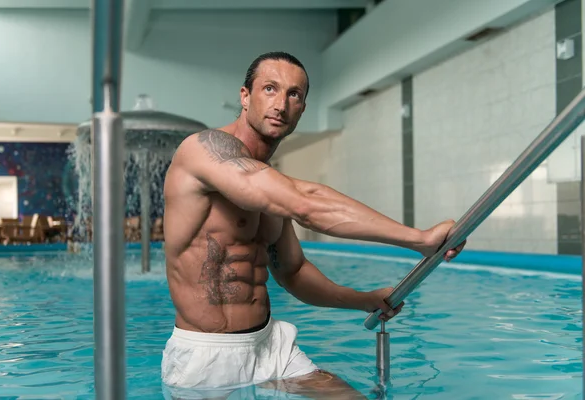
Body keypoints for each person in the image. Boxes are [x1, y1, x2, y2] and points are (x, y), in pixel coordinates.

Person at [161, 51, 466, 399]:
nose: (281, 104)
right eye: (270, 89)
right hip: (206, 356)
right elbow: (305, 203)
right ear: (245, 97)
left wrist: (363, 300)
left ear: (302, 109)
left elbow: (293, 270)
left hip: (270, 345)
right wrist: (419, 239)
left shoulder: (271, 185)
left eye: (294, 94)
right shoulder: (203, 151)